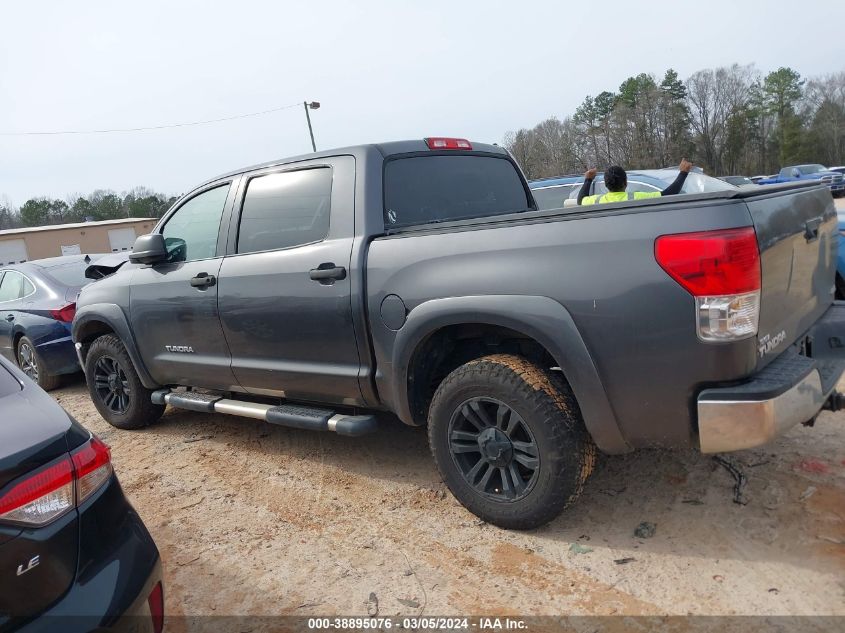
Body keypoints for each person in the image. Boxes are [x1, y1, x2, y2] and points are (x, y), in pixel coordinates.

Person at [577, 159, 694, 205]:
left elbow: (581, 200)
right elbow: (669, 193)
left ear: (606, 185)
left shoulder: (597, 200)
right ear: (626, 182)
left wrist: (588, 179)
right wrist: (683, 172)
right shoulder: (637, 197)